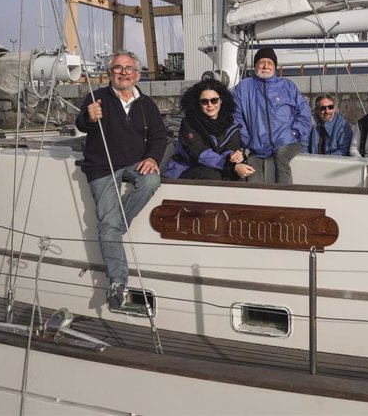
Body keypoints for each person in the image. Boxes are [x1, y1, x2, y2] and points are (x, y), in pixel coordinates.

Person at [75, 50, 167, 310]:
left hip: (135, 162)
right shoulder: (96, 98)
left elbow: (160, 137)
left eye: (129, 68)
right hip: (102, 166)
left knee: (151, 181)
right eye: (118, 68)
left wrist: (152, 158)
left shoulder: (146, 104)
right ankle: (117, 280)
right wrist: (89, 117)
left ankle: (113, 229)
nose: (123, 72)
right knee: (109, 223)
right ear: (110, 73)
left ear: (137, 74)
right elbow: (82, 124)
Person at [233, 47, 312, 184]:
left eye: (270, 63)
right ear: (255, 65)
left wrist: (295, 133)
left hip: (287, 141)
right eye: (261, 62)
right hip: (256, 145)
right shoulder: (243, 88)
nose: (265, 66)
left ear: (275, 66)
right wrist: (246, 141)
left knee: (281, 157)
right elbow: (237, 117)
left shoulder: (287, 86)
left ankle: (285, 201)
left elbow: (304, 112)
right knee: (252, 165)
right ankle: (257, 203)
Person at [163, 79, 255, 180]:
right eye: (204, 101)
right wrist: (229, 166)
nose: (210, 104)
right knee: (212, 175)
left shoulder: (231, 124)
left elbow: (231, 146)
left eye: (214, 100)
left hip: (218, 166)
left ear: (221, 100)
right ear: (198, 103)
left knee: (242, 174)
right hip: (185, 168)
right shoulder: (189, 123)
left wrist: (234, 156)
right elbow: (198, 152)